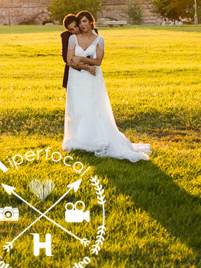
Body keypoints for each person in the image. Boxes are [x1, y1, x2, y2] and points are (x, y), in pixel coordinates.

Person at [62, 10, 151, 162]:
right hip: (76, 78)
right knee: (77, 107)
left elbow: (98, 61)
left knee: (93, 106)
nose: (82, 25)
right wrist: (85, 66)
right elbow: (70, 60)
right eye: (80, 22)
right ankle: (79, 139)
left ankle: (96, 137)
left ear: (91, 21)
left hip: (93, 79)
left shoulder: (99, 39)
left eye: (84, 21)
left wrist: (81, 58)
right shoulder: (73, 38)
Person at [60, 14, 79, 89]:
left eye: (76, 26)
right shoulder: (66, 36)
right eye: (71, 29)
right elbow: (65, 57)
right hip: (72, 69)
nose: (75, 30)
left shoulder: (89, 33)